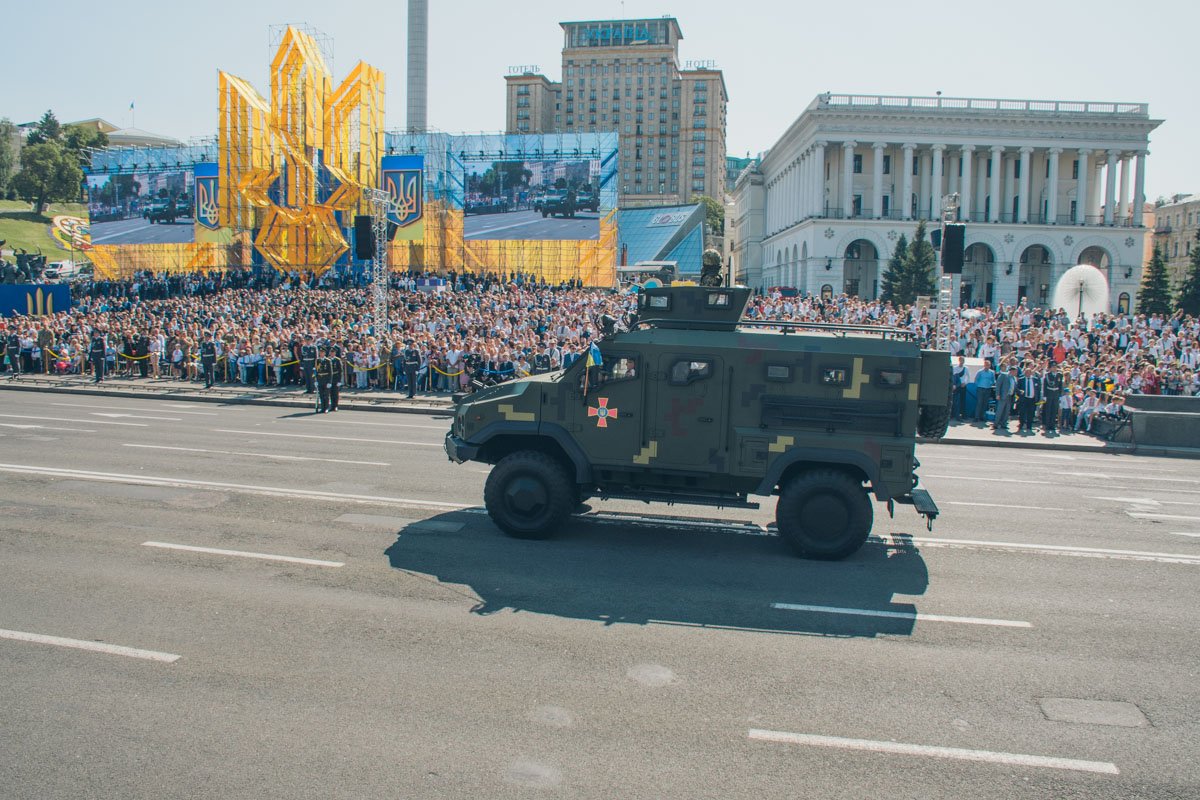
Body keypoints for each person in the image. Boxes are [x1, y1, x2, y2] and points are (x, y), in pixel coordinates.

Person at [1016, 366, 1042, 434]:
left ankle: (1029, 426)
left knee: (1031, 413)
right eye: (1026, 372)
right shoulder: (1021, 379)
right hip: (1024, 398)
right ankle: (1021, 424)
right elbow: (1017, 389)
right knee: (1022, 412)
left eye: (1029, 372)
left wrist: (1038, 399)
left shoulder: (1035, 379)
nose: (1028, 373)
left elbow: (1038, 390)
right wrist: (1020, 393)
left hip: (1032, 399)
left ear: (1031, 373)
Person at [993, 364, 1018, 434]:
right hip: (1003, 396)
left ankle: (1003, 423)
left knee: (1006, 411)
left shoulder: (1014, 378)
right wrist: (997, 394)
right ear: (1011, 371)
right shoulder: (1004, 375)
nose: (1016, 373)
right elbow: (998, 385)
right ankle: (996, 424)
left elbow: (1014, 387)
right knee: (1000, 410)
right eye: (1015, 371)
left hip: (1010, 396)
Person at [1042, 366, 1064, 435]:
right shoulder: (1047, 375)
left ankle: (1052, 425)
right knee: (1048, 410)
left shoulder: (1059, 375)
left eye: (1055, 367)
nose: (1054, 368)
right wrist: (1045, 395)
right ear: (1050, 368)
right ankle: (1047, 425)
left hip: (1056, 394)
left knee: (1054, 410)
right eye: (1053, 367)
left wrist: (1060, 395)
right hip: (1049, 393)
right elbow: (1045, 386)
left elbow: (1060, 386)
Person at [315, 346, 334, 413]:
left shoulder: (328, 361)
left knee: (326, 395)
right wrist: (316, 380)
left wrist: (329, 382)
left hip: (326, 379)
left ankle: (326, 408)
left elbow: (330, 372)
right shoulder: (317, 360)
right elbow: (316, 371)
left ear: (325, 353)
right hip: (320, 379)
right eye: (320, 352)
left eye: (322, 352)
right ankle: (322, 408)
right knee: (321, 395)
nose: (321, 353)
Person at [951, 355, 968, 420]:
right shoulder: (955, 368)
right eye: (960, 360)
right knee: (955, 401)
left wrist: (965, 383)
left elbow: (968, 377)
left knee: (963, 401)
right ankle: (954, 414)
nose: (961, 361)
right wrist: (954, 385)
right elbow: (953, 377)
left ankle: (963, 415)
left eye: (963, 360)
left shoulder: (966, 368)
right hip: (956, 387)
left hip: (963, 386)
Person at [328, 346, 343, 412]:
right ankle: (332, 405)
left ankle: (336, 406)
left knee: (336, 393)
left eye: (333, 352)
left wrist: (339, 380)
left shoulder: (337, 360)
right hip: (330, 378)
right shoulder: (327, 359)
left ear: (335, 353)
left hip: (336, 377)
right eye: (331, 352)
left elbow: (340, 371)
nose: (332, 353)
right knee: (331, 393)